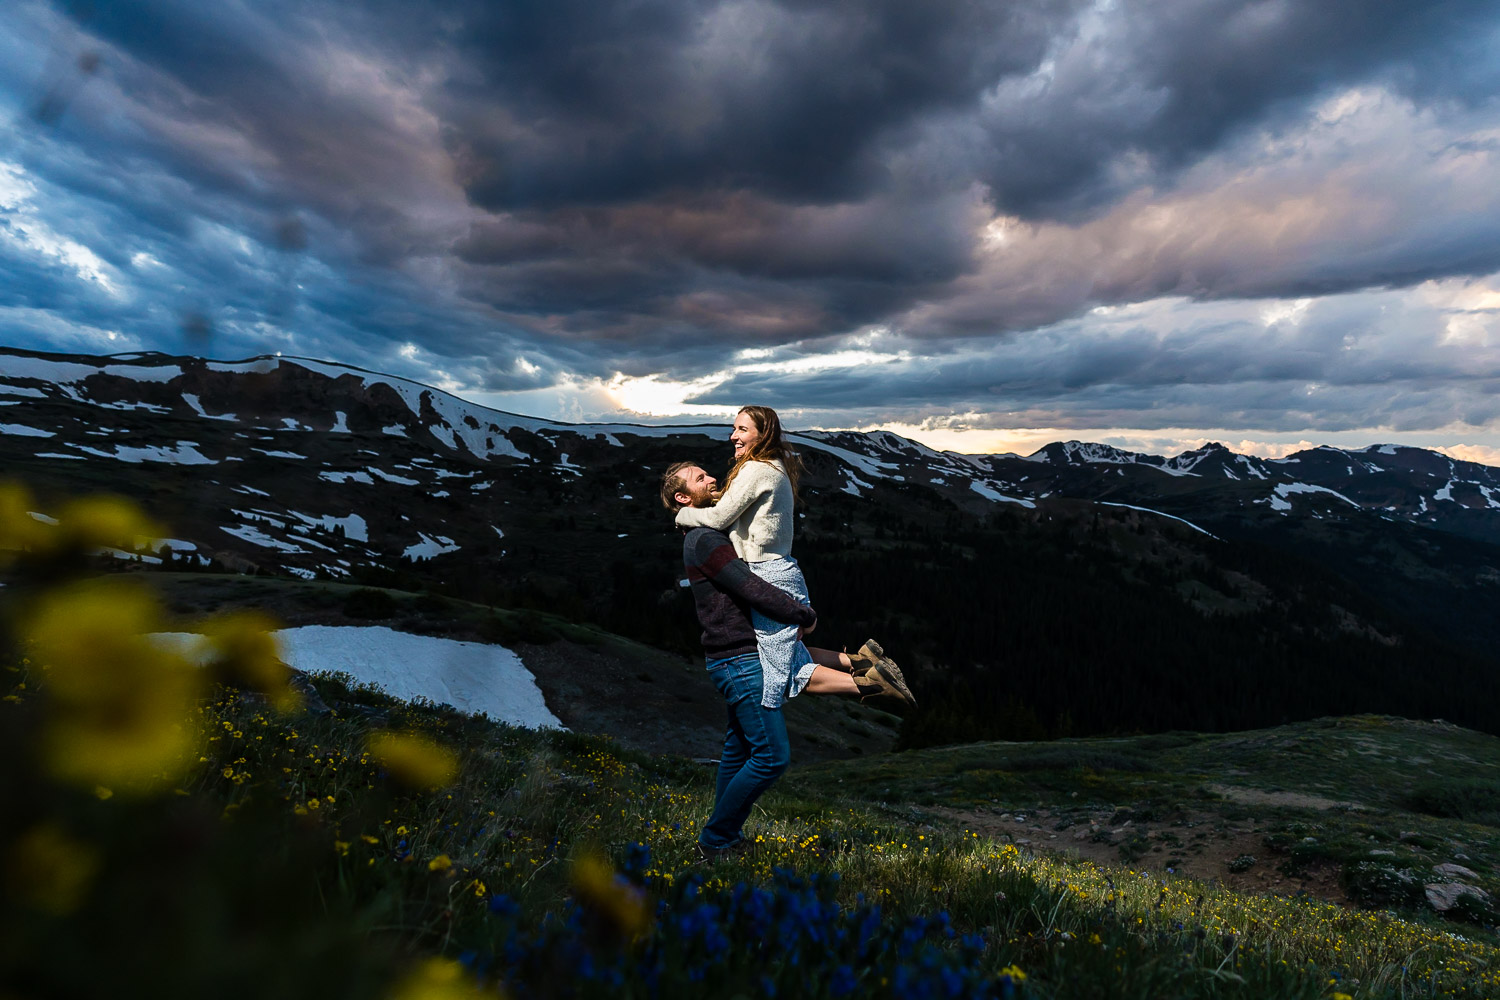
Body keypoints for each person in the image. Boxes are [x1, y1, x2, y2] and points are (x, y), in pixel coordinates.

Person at [662, 462, 909, 861]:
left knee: (739, 750)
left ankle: (721, 837)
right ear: (683, 499)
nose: (712, 479)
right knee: (772, 756)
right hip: (739, 661)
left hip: (733, 658)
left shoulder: (707, 535)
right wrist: (801, 614)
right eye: (700, 479)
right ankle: (715, 839)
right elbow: (750, 587)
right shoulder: (704, 540)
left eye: (709, 473)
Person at [672, 406, 916, 710]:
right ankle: (858, 661)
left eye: (743, 430)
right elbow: (730, 505)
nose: (734, 435)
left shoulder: (757, 469)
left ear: (763, 434)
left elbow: (720, 517)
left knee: (780, 671)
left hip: (767, 572)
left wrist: (683, 513)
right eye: (734, 428)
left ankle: (870, 685)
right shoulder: (768, 468)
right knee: (788, 653)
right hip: (779, 569)